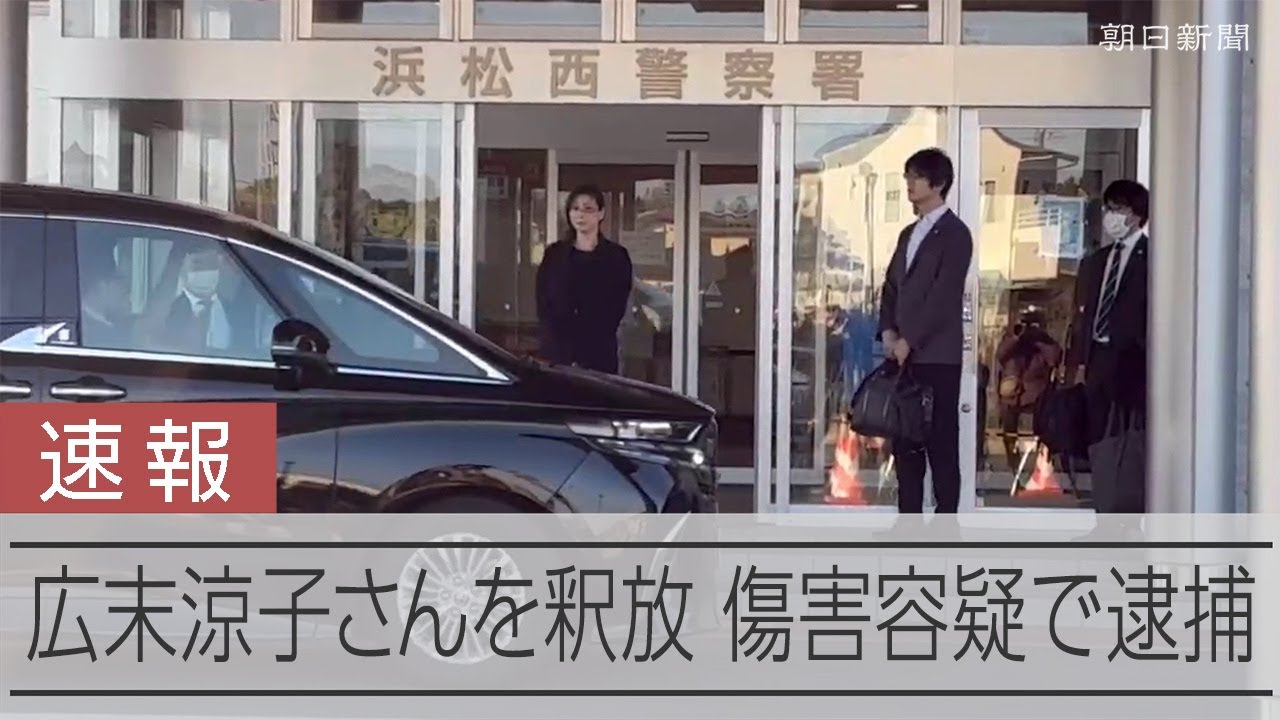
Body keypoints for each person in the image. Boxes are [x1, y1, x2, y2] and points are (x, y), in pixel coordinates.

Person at [877, 148, 974, 514]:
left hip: (937, 357)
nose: (909, 184)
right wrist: (888, 331)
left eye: (917, 177)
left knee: (941, 443)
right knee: (905, 443)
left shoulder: (955, 234)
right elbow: (890, 287)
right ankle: (908, 523)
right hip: (904, 357)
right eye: (908, 176)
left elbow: (943, 296)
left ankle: (947, 524)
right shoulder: (908, 233)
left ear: (938, 183)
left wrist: (910, 339)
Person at [1065, 179, 1150, 512]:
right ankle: (1104, 515)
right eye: (1108, 208)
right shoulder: (1096, 262)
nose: (1110, 216)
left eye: (1118, 209)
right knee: (1099, 443)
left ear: (1136, 215)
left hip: (1132, 365)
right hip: (1097, 361)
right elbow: (1082, 316)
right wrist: (1078, 364)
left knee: (1128, 447)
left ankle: (1128, 519)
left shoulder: (1152, 259)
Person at [535, 185, 634, 375]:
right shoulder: (554, 254)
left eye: (588, 209)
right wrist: (555, 339)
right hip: (557, 352)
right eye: (575, 208)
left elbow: (616, 306)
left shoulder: (616, 256)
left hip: (598, 352)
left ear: (601, 213)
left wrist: (590, 339)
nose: (581, 214)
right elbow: (543, 300)